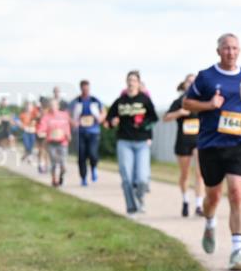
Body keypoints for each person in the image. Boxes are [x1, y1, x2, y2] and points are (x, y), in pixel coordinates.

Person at [183, 34, 241, 271]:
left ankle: (237, 251)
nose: (230, 52)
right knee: (212, 197)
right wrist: (208, 105)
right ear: (218, 51)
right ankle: (210, 222)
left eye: (234, 48)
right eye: (226, 48)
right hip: (210, 145)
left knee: (236, 193)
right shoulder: (206, 76)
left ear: (239, 51)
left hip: (239, 145)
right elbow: (187, 103)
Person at [106, 71, 158, 214]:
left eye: (134, 80)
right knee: (127, 177)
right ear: (126, 82)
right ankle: (131, 208)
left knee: (142, 178)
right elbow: (109, 120)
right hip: (124, 142)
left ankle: (140, 197)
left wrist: (144, 127)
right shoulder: (120, 101)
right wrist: (112, 122)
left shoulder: (144, 100)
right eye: (129, 80)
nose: (131, 82)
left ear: (138, 83)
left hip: (141, 143)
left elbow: (154, 119)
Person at [163, 74, 205, 217]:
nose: (191, 84)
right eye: (189, 82)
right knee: (185, 174)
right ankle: (186, 200)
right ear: (184, 84)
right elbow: (166, 118)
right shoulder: (179, 101)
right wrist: (179, 112)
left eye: (194, 82)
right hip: (183, 141)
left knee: (200, 174)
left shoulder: (202, 101)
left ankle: (199, 205)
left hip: (199, 141)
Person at [69, 80, 106, 186]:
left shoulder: (95, 100)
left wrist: (101, 118)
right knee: (81, 156)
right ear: (81, 89)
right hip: (80, 132)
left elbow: (103, 112)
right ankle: (83, 177)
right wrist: (73, 122)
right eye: (84, 89)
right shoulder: (76, 101)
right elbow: (67, 114)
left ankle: (94, 167)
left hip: (93, 131)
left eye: (87, 89)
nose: (86, 90)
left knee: (92, 153)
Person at [38, 100, 72, 186]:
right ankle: (54, 179)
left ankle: (61, 175)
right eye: (51, 105)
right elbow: (42, 127)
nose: (53, 107)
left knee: (63, 164)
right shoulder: (46, 117)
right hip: (51, 143)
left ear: (58, 105)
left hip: (63, 142)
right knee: (53, 162)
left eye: (54, 105)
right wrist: (40, 132)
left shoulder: (64, 115)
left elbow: (66, 126)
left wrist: (68, 134)